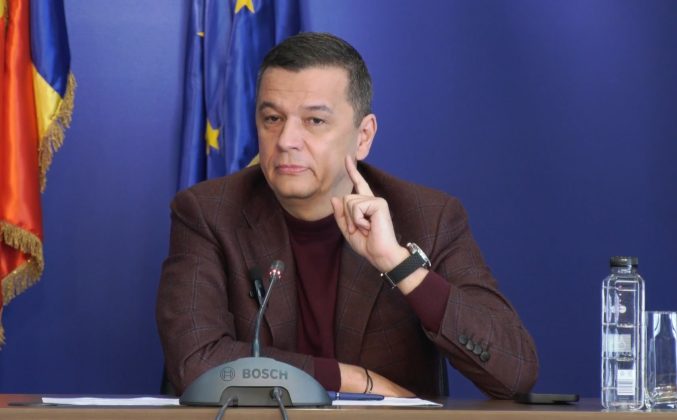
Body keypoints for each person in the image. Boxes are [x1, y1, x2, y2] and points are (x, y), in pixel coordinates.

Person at [156, 32, 538, 398]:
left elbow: (514, 373)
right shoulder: (207, 214)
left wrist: (399, 264)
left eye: (314, 121)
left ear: (363, 136)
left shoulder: (429, 218)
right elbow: (195, 362)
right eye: (272, 118)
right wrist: (353, 379)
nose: (286, 140)